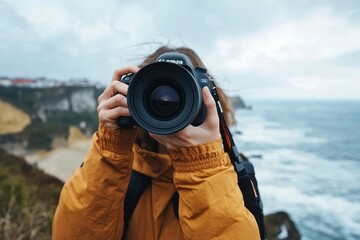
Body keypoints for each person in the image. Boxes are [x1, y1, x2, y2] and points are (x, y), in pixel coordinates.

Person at [52, 46, 260, 240]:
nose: (167, 101)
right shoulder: (119, 173)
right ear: (133, 97)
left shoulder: (233, 178)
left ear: (208, 105)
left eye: (185, 93)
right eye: (157, 94)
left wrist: (202, 164)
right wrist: (111, 146)